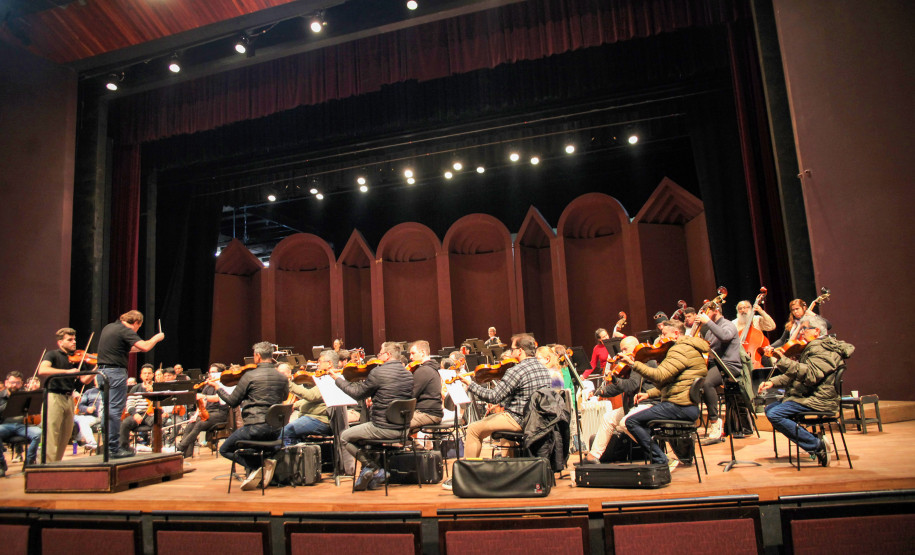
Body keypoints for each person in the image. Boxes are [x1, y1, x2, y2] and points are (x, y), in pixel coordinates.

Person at [443, 333, 552, 490]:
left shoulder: (517, 370)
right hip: (539, 420)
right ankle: (511, 475)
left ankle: (467, 476)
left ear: (520, 351)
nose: (511, 352)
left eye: (512, 349)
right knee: (497, 421)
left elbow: (493, 396)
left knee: (473, 429)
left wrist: (470, 384)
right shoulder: (543, 369)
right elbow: (526, 395)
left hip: (519, 419)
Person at [758, 315, 853, 466]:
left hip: (819, 399)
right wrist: (773, 382)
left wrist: (782, 359)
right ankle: (813, 441)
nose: (801, 333)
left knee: (775, 414)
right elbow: (798, 376)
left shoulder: (821, 350)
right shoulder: (815, 347)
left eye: (804, 329)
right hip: (810, 394)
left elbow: (811, 376)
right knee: (771, 408)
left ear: (816, 331)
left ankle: (816, 445)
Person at [618, 320, 709, 470]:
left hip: (678, 406)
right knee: (640, 419)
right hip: (687, 405)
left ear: (676, 333)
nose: (661, 338)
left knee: (631, 421)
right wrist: (649, 394)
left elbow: (660, 375)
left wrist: (633, 364)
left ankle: (661, 460)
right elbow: (677, 382)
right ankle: (663, 457)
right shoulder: (692, 348)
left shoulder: (679, 350)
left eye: (664, 334)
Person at [330, 341, 413, 491]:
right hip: (403, 429)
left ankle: (374, 468)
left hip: (383, 427)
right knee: (363, 437)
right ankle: (371, 476)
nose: (378, 356)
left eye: (380, 353)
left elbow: (356, 393)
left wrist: (337, 379)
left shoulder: (378, 372)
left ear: (387, 355)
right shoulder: (408, 374)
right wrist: (374, 397)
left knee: (345, 437)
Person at [215, 341, 289, 490]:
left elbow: (233, 401)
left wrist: (218, 388)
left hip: (255, 427)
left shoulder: (250, 376)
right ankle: (262, 468)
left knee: (225, 449)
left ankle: (258, 466)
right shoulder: (282, 377)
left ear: (258, 356)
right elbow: (285, 396)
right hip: (276, 429)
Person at [95, 310, 164, 457]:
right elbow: (145, 346)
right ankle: (113, 448)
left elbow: (126, 348)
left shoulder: (109, 327)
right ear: (136, 323)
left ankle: (106, 446)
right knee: (114, 411)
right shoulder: (125, 330)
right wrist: (156, 339)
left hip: (101, 373)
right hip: (115, 374)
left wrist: (139, 347)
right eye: (139, 327)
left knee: (106, 410)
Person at [584, 336, 654, 463]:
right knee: (608, 418)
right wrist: (599, 392)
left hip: (648, 404)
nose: (621, 353)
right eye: (621, 350)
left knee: (625, 423)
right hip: (633, 406)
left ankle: (655, 451)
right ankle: (593, 456)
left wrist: (615, 379)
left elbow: (631, 385)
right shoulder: (629, 365)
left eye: (625, 349)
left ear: (635, 347)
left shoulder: (642, 361)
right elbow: (619, 388)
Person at [37, 327, 95, 461]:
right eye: (69, 340)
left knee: (66, 433)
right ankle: (46, 465)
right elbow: (43, 369)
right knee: (51, 432)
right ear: (60, 342)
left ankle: (56, 463)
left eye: (74, 339)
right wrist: (67, 372)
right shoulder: (52, 355)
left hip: (69, 398)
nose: (74, 342)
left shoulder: (78, 358)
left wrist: (97, 366)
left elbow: (85, 380)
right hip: (54, 396)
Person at [697, 302, 741, 442]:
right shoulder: (710, 330)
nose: (704, 314)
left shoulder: (727, 324)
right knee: (693, 382)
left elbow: (725, 336)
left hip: (729, 365)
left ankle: (715, 422)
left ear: (715, 311)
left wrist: (708, 322)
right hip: (714, 365)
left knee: (707, 383)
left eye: (706, 311)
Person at [177, 364, 230, 459]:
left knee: (200, 423)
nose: (211, 374)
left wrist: (204, 397)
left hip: (219, 413)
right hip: (207, 412)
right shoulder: (207, 386)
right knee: (191, 424)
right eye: (210, 372)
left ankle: (180, 447)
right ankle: (185, 454)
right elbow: (201, 403)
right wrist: (196, 415)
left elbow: (218, 398)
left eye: (214, 372)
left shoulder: (224, 384)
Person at [282, 352, 333, 443]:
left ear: (329, 364)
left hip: (319, 420)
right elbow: (313, 400)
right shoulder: (323, 377)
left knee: (285, 431)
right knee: (285, 430)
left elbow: (311, 396)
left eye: (320, 362)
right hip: (310, 417)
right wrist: (295, 404)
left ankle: (283, 456)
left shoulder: (330, 380)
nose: (317, 364)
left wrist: (288, 384)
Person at [0, 371, 42, 473]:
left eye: (17, 383)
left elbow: (34, 411)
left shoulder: (25, 395)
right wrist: (10, 403)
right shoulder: (0, 396)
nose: (14, 385)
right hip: (5, 425)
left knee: (38, 433)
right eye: (12, 382)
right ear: (6, 383)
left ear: (22, 383)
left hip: (22, 425)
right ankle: (1, 464)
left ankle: (29, 462)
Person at [117, 364, 158, 452]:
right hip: (137, 414)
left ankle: (155, 448)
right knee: (125, 423)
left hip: (150, 414)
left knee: (157, 421)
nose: (147, 375)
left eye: (149, 373)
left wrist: (153, 391)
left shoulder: (157, 387)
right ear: (141, 375)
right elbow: (130, 404)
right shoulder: (135, 388)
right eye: (145, 373)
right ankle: (124, 448)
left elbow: (160, 402)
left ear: (153, 375)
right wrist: (135, 414)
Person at [407, 340, 444, 429]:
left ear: (423, 353)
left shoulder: (423, 370)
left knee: (394, 423)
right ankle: (411, 443)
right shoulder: (433, 367)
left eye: (413, 353)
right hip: (432, 413)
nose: (410, 357)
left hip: (428, 414)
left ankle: (411, 443)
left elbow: (411, 394)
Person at [73, 385, 103, 452]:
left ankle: (90, 442)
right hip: (89, 417)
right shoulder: (89, 392)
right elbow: (81, 406)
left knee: (81, 420)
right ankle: (79, 438)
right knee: (73, 417)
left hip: (100, 417)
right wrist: (87, 409)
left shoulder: (110, 391)